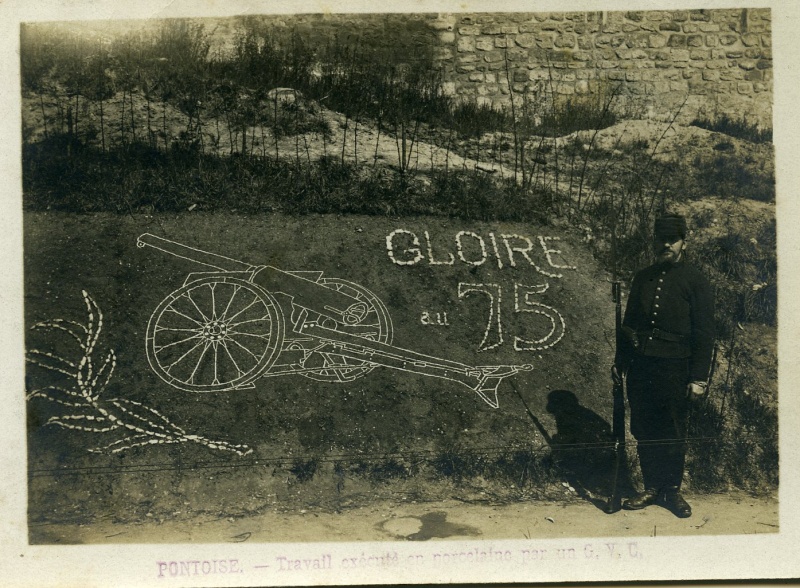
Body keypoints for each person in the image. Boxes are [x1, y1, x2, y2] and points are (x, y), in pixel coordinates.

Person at [612, 213, 715, 518]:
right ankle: (651, 488)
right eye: (661, 238)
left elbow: (704, 334)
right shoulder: (643, 277)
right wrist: (621, 362)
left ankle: (671, 491)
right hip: (642, 367)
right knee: (645, 427)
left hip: (675, 367)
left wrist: (698, 377)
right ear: (654, 240)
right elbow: (629, 325)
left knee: (672, 429)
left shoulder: (695, 281)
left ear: (684, 242)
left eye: (673, 239)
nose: (666, 244)